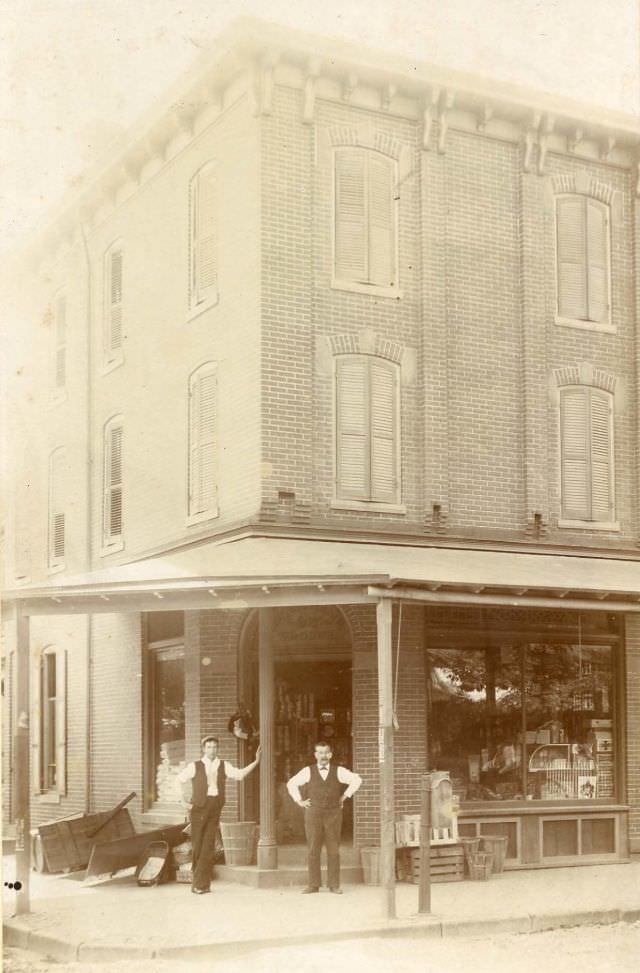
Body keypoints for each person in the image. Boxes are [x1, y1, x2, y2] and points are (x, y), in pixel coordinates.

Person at [177, 735, 260, 894]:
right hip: (198, 809)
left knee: (207, 846)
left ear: (218, 749)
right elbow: (178, 779)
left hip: (215, 807)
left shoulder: (223, 765)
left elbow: (239, 774)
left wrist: (255, 762)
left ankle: (200, 885)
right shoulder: (195, 766)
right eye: (208, 747)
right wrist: (181, 801)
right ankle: (200, 883)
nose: (212, 750)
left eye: (215, 747)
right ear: (203, 749)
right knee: (198, 846)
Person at [286, 742, 362, 895]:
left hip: (333, 814)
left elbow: (357, 780)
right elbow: (291, 783)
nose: (323, 756)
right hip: (313, 813)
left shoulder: (338, 771)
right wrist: (299, 801)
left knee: (333, 850)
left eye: (326, 753)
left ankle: (334, 884)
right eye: (320, 753)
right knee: (313, 849)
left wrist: (344, 796)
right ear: (315, 755)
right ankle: (313, 884)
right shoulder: (308, 771)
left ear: (331, 755)